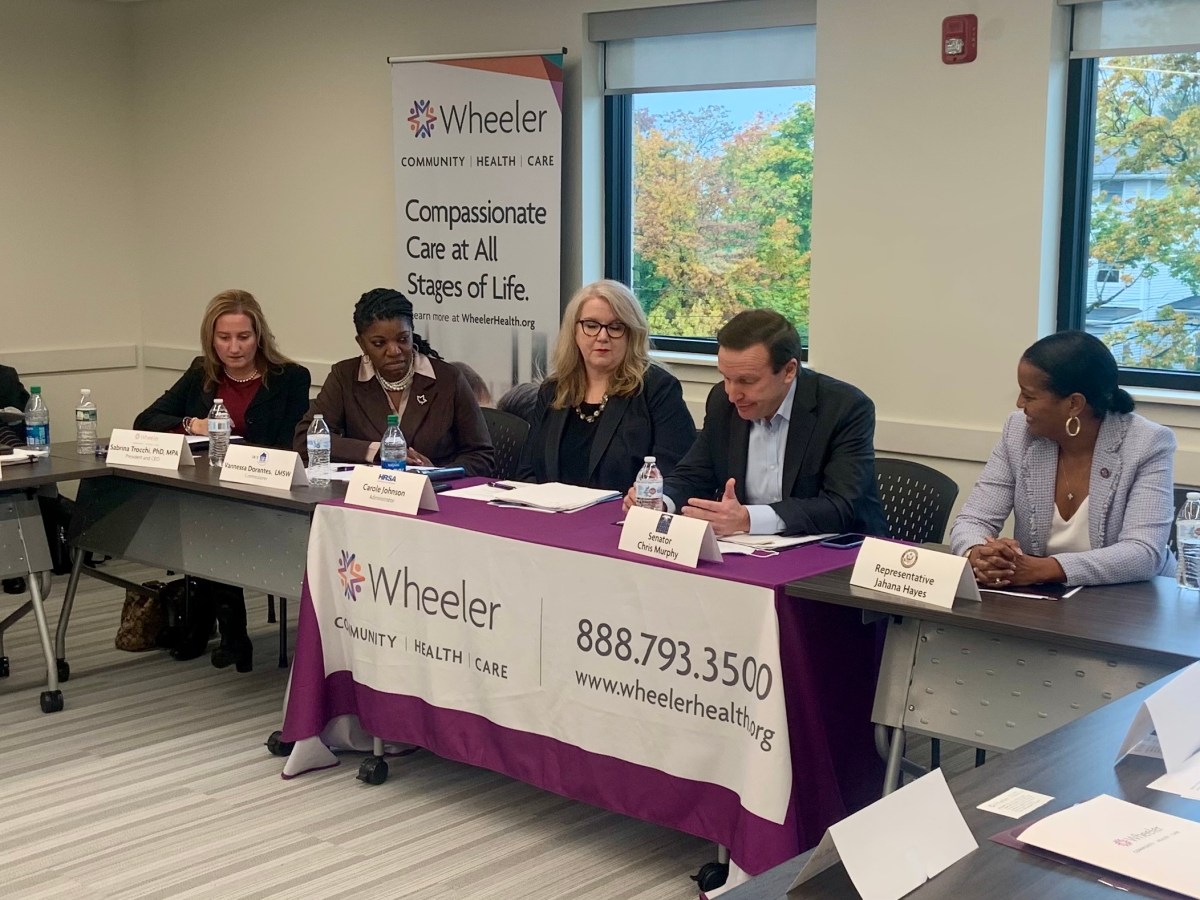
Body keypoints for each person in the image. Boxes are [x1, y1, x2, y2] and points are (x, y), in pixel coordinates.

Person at [134, 289, 311, 672]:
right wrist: (191, 424)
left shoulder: (290, 377)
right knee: (203, 518)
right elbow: (145, 420)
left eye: (243, 337)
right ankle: (229, 633)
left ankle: (222, 631)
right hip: (208, 491)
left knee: (209, 525)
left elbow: (288, 444)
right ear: (211, 340)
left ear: (259, 336)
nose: (234, 348)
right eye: (224, 338)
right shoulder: (202, 373)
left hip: (264, 493)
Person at [626, 309, 887, 538]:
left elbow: (841, 506)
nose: (732, 393)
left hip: (835, 554)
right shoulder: (722, 401)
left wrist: (749, 519)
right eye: (726, 378)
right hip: (749, 551)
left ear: (789, 371)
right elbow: (695, 474)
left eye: (747, 381)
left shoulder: (844, 408)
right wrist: (660, 501)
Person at [951, 331, 1175, 587]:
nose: (1019, 403)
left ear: (1074, 404)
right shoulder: (1018, 432)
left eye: (1030, 395)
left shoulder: (1148, 443)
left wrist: (1048, 569)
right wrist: (978, 554)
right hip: (1044, 603)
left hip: (1131, 606)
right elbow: (973, 520)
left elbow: (1143, 553)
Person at [515, 280, 695, 493]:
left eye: (615, 327)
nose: (602, 336)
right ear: (574, 331)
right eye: (591, 326)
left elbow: (675, 475)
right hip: (552, 519)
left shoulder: (657, 389)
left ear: (632, 334)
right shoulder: (554, 389)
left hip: (621, 519)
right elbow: (527, 472)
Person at [295, 288, 494, 475]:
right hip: (369, 495)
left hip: (435, 497)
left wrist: (438, 473)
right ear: (361, 343)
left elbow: (481, 456)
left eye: (402, 339)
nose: (394, 351)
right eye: (379, 343)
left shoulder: (448, 380)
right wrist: (375, 451)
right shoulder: (345, 377)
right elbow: (306, 440)